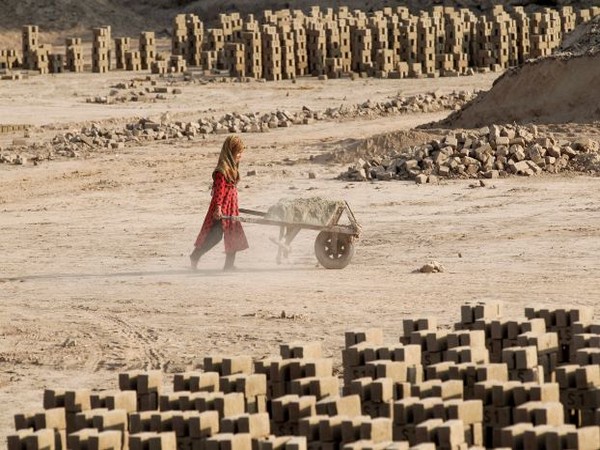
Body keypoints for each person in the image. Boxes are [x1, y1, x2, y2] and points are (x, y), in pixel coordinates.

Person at [190, 135, 249, 270]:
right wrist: (218, 208)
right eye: (238, 152)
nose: (240, 155)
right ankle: (195, 256)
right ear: (230, 152)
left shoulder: (232, 167)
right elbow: (219, 191)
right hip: (222, 206)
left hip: (231, 205)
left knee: (232, 233)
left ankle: (229, 265)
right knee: (215, 235)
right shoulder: (222, 170)